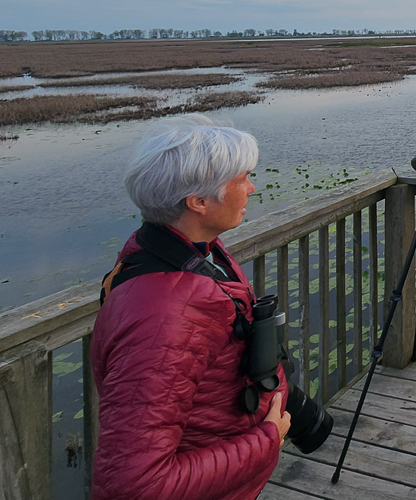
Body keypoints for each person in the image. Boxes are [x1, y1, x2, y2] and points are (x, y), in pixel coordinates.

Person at [91, 116, 291, 500]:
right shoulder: (164, 316)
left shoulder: (180, 251)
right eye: (242, 179)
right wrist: (267, 439)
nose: (252, 188)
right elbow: (134, 486)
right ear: (198, 202)